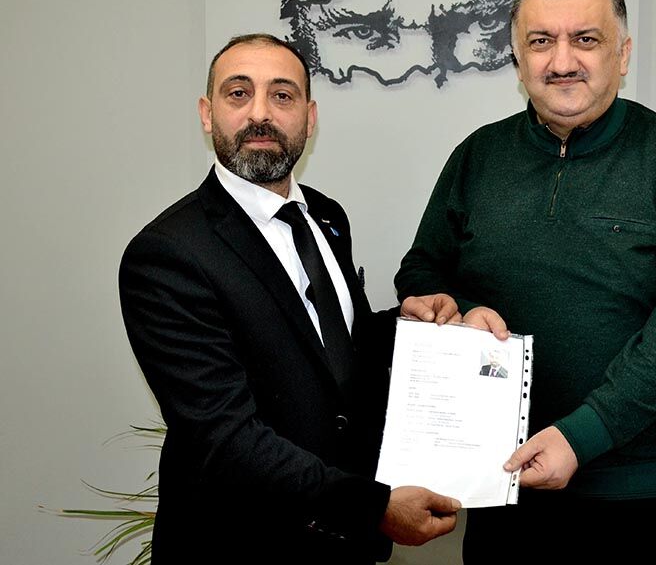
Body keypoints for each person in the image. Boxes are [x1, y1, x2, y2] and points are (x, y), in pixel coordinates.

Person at [395, 0, 656, 565]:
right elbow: (423, 270)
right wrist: (456, 309)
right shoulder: (478, 156)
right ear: (517, 58)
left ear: (622, 54)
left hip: (641, 496)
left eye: (585, 39)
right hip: (502, 483)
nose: (561, 62)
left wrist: (581, 436)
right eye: (540, 41)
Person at [119, 33, 462, 565]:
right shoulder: (166, 254)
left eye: (282, 95)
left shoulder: (325, 216)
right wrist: (372, 508)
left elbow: (334, 347)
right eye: (239, 93)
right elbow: (224, 436)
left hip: (342, 548)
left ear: (309, 117)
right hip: (239, 548)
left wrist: (411, 324)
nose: (260, 113)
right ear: (207, 114)